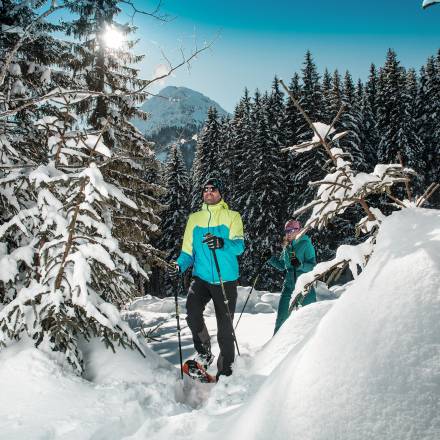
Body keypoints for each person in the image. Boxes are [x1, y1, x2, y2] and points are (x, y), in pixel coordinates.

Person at [169, 177, 244, 380]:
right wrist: (179, 266)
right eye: (206, 189)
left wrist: (222, 242)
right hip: (201, 277)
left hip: (225, 278)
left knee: (225, 328)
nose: (209, 192)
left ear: (220, 193)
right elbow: (187, 251)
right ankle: (204, 353)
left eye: (213, 189)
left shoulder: (232, 216)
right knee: (192, 313)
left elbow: (239, 246)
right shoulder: (194, 219)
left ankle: (226, 369)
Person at [268, 219, 316, 334]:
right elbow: (282, 266)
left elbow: (313, 266)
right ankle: (274, 347)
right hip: (289, 286)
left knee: (310, 318)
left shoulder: (306, 244)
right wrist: (270, 258)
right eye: (286, 231)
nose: (288, 233)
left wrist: (300, 265)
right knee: (282, 318)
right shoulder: (287, 247)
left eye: (291, 230)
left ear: (298, 230)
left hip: (305, 286)